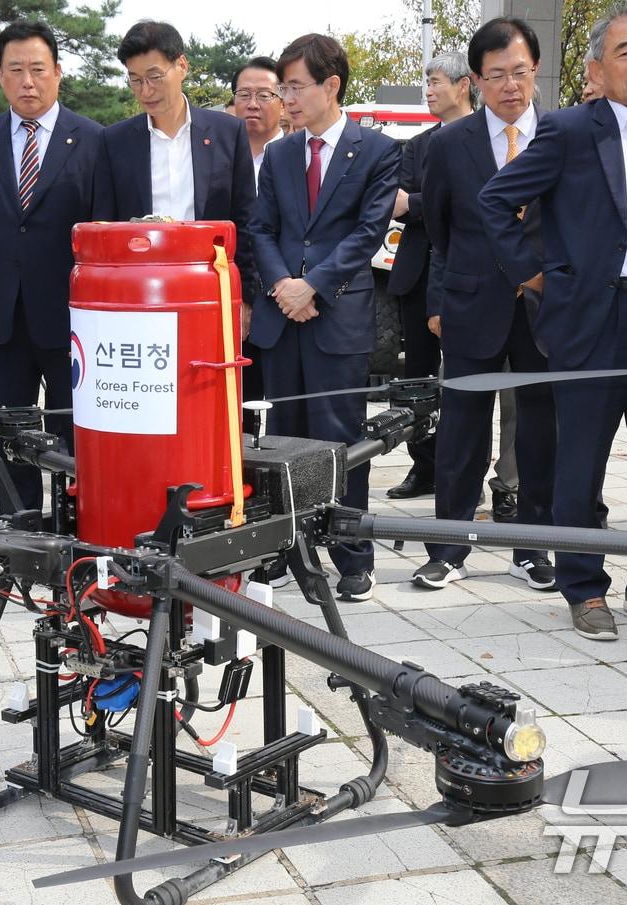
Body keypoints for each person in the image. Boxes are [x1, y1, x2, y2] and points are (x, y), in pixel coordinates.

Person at [480, 2, 627, 640]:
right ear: (597, 66)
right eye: (624, 52)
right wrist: (537, 278)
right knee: (582, 459)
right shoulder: (569, 130)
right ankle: (583, 586)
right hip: (595, 317)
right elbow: (497, 200)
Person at [249, 33, 400, 601]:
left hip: (337, 315)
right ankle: (287, 549)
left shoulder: (379, 151)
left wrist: (313, 285)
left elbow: (369, 232)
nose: (285, 97)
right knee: (283, 439)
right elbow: (261, 227)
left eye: (295, 86)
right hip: (282, 315)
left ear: (331, 85)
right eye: (282, 87)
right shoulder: (282, 153)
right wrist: (285, 287)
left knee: (339, 440)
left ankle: (351, 554)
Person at [415, 21, 558, 594]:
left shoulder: (561, 134)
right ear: (476, 80)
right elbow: (441, 232)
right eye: (495, 75)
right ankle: (448, 548)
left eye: (519, 72)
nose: (509, 86)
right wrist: (445, 296)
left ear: (535, 72)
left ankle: (536, 547)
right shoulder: (450, 144)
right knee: (462, 429)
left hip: (544, 308)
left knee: (541, 430)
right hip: (473, 304)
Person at [0, 21, 105, 514]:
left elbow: (101, 228)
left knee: (70, 423)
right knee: (8, 422)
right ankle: (20, 519)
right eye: (15, 70)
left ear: (58, 72)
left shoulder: (94, 139)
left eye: (38, 69)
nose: (27, 81)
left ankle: (73, 518)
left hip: (69, 308)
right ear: (0, 76)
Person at [94, 20, 255, 302]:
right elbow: (106, 230)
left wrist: (246, 300)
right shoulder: (114, 142)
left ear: (181, 65)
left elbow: (246, 220)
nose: (145, 91)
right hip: (140, 292)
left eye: (155, 76)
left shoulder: (228, 133)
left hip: (210, 290)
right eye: (135, 79)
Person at [383, 50, 473, 503]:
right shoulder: (419, 145)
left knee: (466, 383)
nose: (429, 90)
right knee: (416, 379)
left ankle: (466, 476)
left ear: (463, 85)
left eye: (436, 81)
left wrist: (423, 204)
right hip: (418, 275)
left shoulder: (487, 138)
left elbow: (469, 204)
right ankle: (425, 467)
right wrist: (426, 205)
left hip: (470, 275)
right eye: (427, 82)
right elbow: (396, 203)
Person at [232, 56, 284, 444]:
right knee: (236, 410)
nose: (252, 103)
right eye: (244, 94)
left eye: (264, 95)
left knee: (284, 417)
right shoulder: (215, 157)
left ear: (282, 101)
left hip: (287, 303)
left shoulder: (299, 154)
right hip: (229, 304)